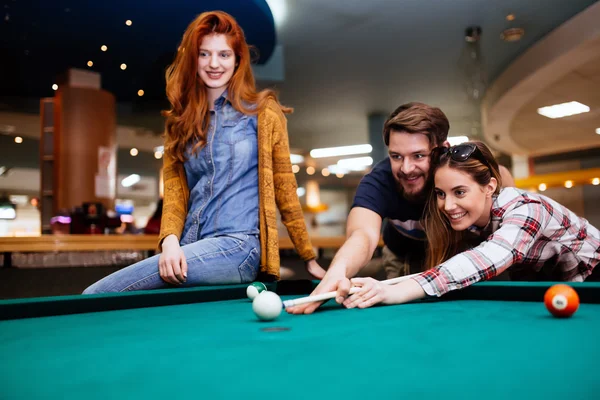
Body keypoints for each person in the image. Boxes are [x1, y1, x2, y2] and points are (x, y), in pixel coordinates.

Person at [84, 11, 324, 294]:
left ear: (237, 60)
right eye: (204, 54)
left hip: (238, 246)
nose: (214, 64)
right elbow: (174, 195)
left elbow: (285, 188)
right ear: (193, 59)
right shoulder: (180, 121)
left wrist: (308, 256)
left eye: (224, 55)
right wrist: (169, 241)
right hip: (190, 246)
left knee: (97, 294)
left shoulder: (263, 113)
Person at [286, 103, 514, 314]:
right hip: (402, 257)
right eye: (396, 156)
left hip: (458, 251)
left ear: (441, 149)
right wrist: (340, 270)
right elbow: (362, 235)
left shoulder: (463, 170)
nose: (406, 168)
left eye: (418, 156)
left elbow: (501, 178)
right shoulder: (378, 182)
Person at [340, 141, 599, 309]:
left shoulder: (528, 210)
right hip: (559, 287)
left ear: (489, 187)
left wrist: (394, 292)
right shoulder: (473, 222)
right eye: (441, 194)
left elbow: (488, 257)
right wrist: (386, 285)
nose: (448, 205)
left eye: (459, 192)